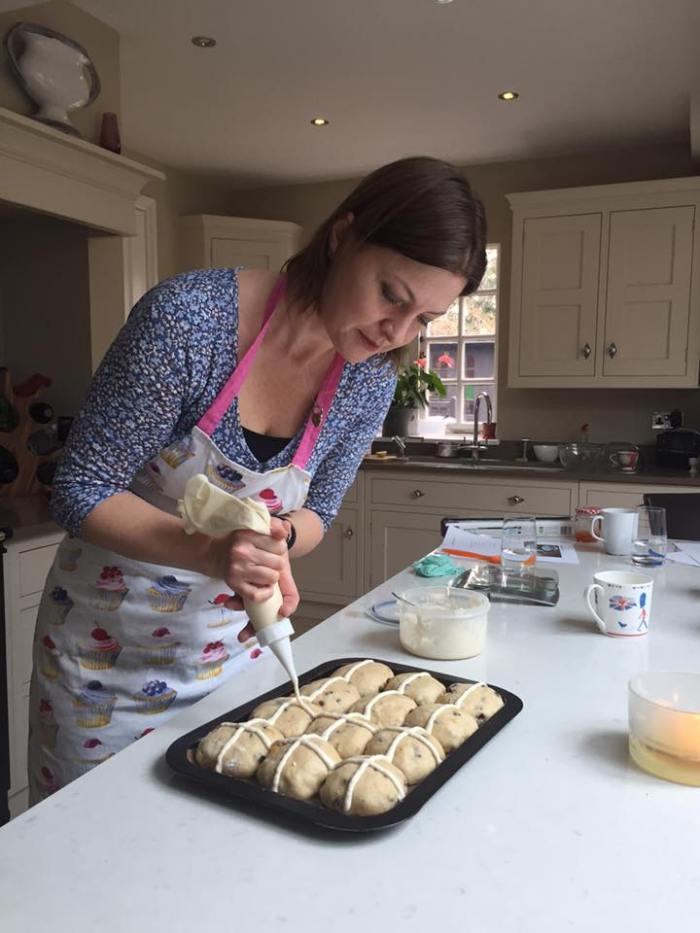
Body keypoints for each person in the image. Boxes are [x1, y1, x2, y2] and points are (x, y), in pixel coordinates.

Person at [27, 156, 487, 801]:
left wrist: (273, 542)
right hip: (108, 660)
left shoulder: (366, 379)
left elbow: (318, 514)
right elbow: (81, 488)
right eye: (392, 296)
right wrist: (211, 550)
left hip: (239, 652)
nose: (395, 334)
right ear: (341, 236)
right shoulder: (190, 323)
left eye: (424, 321)